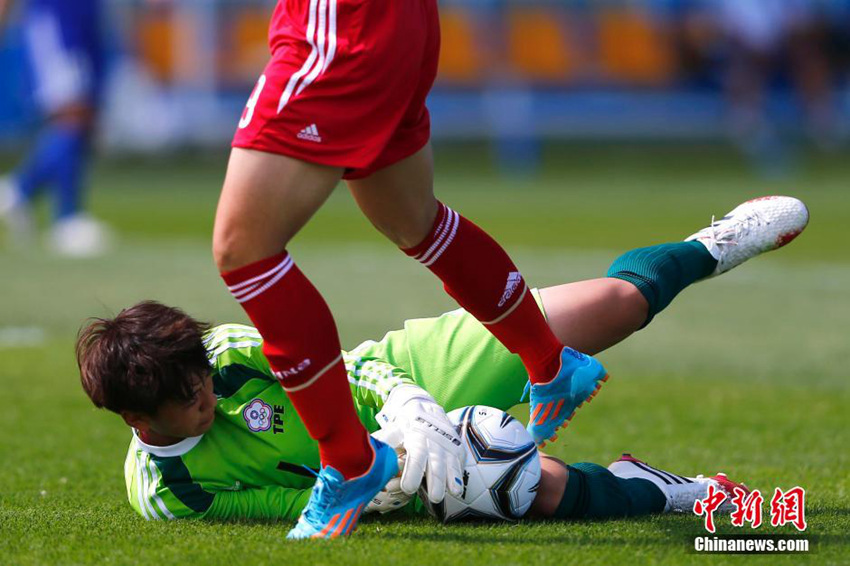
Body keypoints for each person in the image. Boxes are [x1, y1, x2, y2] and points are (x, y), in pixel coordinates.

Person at [78, 196, 808, 533]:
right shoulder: (170, 494)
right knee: (537, 489)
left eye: (203, 380)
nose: (208, 395)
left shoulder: (227, 355)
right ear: (139, 418)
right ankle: (678, 494)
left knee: (613, 306)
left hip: (399, 373)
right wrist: (383, 486)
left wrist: (407, 402)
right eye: (192, 401)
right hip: (383, 469)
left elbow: (341, 369)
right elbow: (287, 510)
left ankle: (713, 246)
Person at [214, 0, 611, 539]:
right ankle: (547, 359)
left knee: (245, 251)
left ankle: (350, 461)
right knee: (414, 221)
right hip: (393, 20)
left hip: (341, 22)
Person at [0, 0, 112, 256]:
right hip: (56, 16)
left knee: (84, 116)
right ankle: (64, 217)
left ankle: (22, 191)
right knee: (71, 112)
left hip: (86, 12)